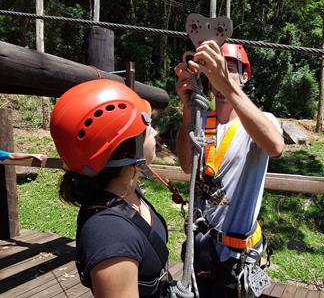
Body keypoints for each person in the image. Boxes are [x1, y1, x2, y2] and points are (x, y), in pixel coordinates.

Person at [175, 41, 284, 297]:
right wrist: (188, 108)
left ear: (245, 76)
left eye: (229, 68)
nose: (221, 71)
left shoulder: (260, 121)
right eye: (216, 65)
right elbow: (185, 165)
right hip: (202, 247)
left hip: (237, 254)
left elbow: (275, 146)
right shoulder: (202, 121)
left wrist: (226, 84)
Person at [50, 79, 170, 298]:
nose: (153, 131)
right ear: (126, 148)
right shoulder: (111, 236)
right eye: (146, 126)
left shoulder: (126, 189)